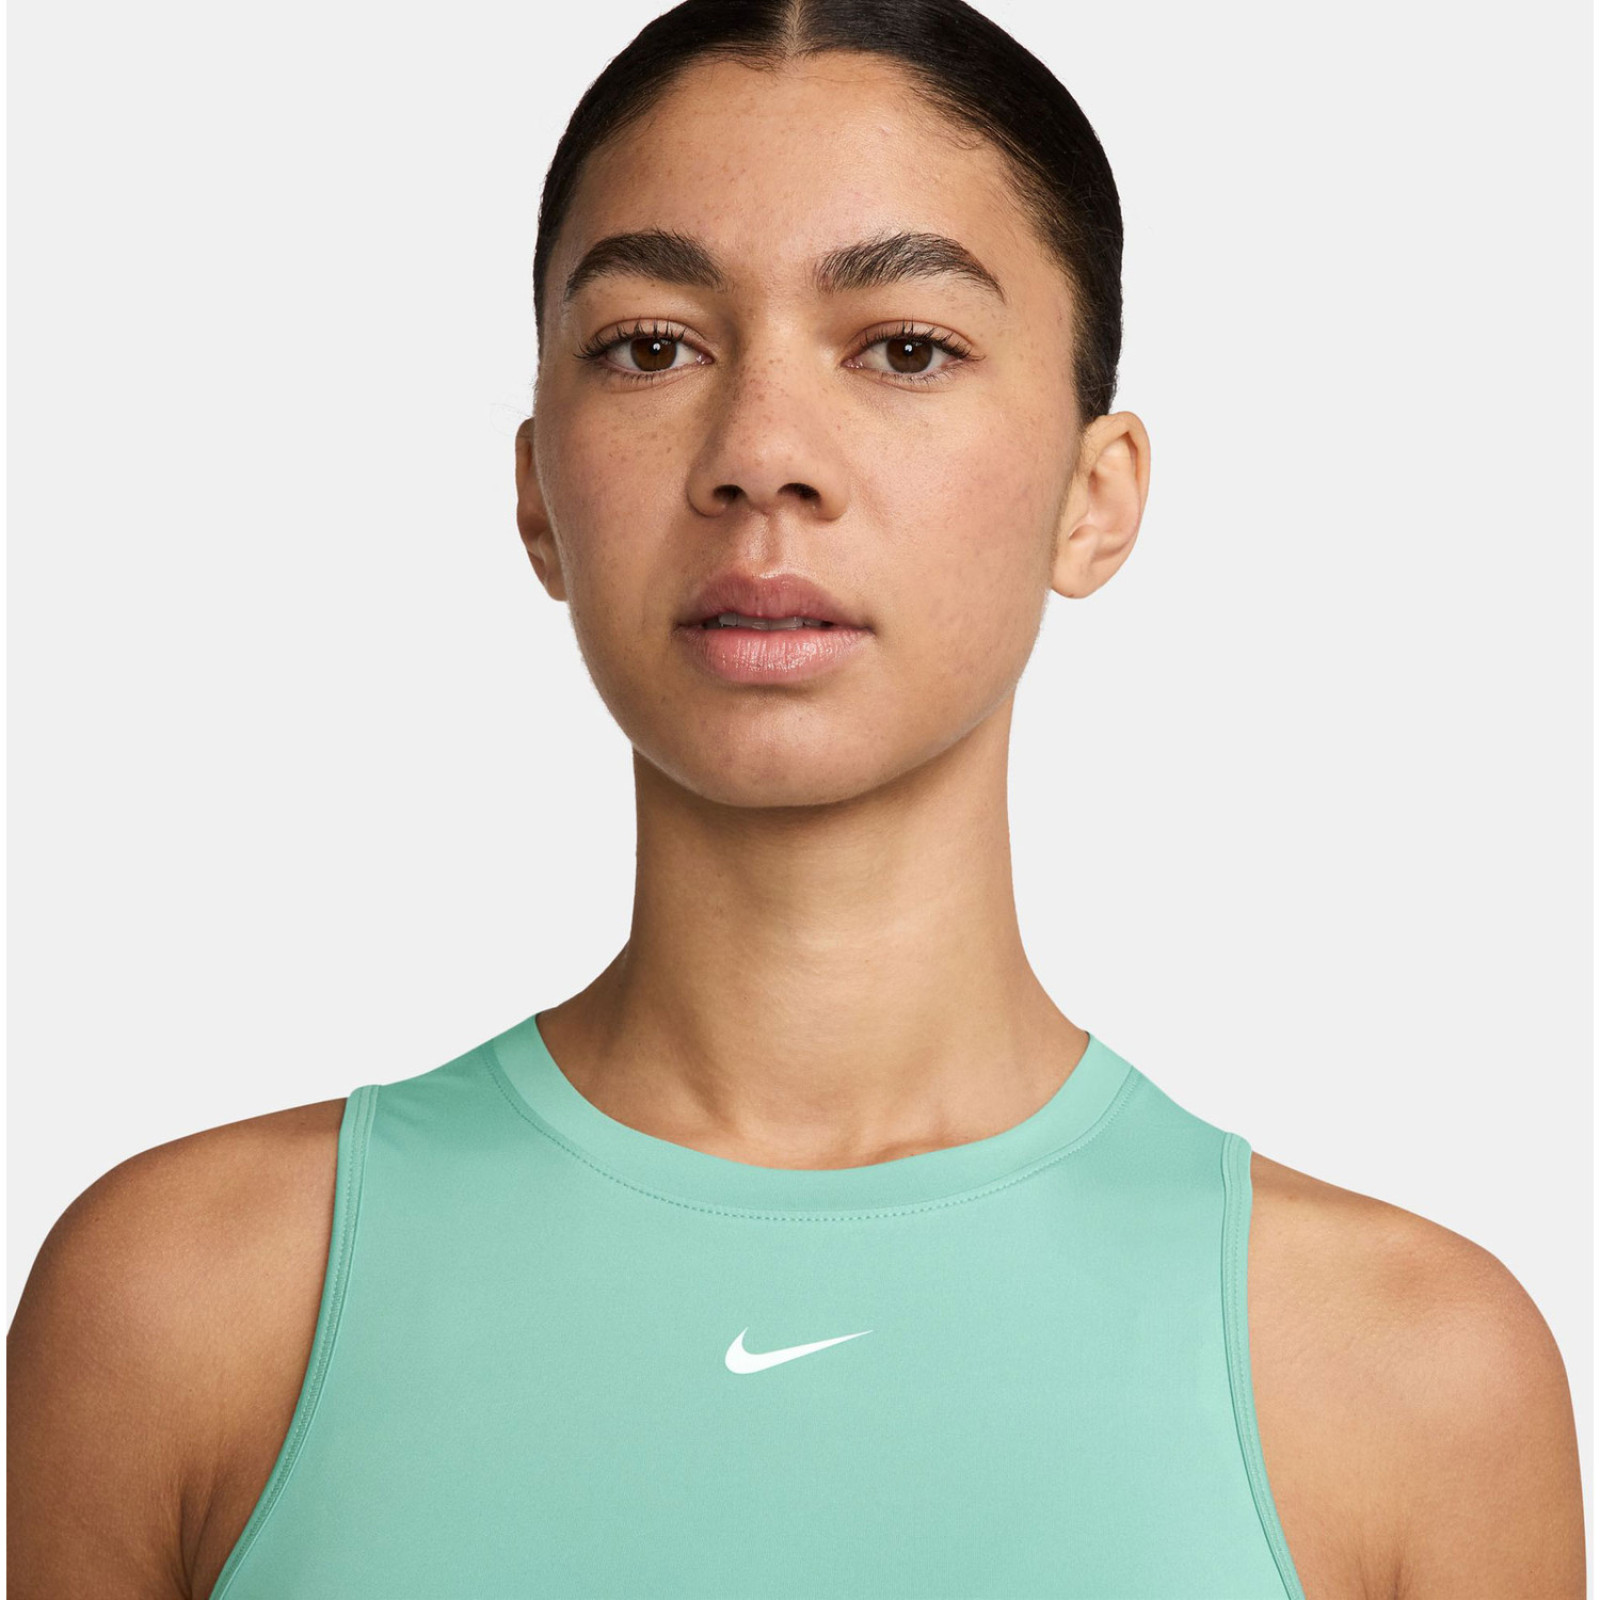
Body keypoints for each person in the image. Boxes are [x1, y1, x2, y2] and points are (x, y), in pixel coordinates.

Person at [9, 1, 1585, 1595]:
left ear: (1094, 497)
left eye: (906, 348)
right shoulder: (187, 1310)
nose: (762, 453)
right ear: (537, 493)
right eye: (653, 347)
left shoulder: (1412, 1380)